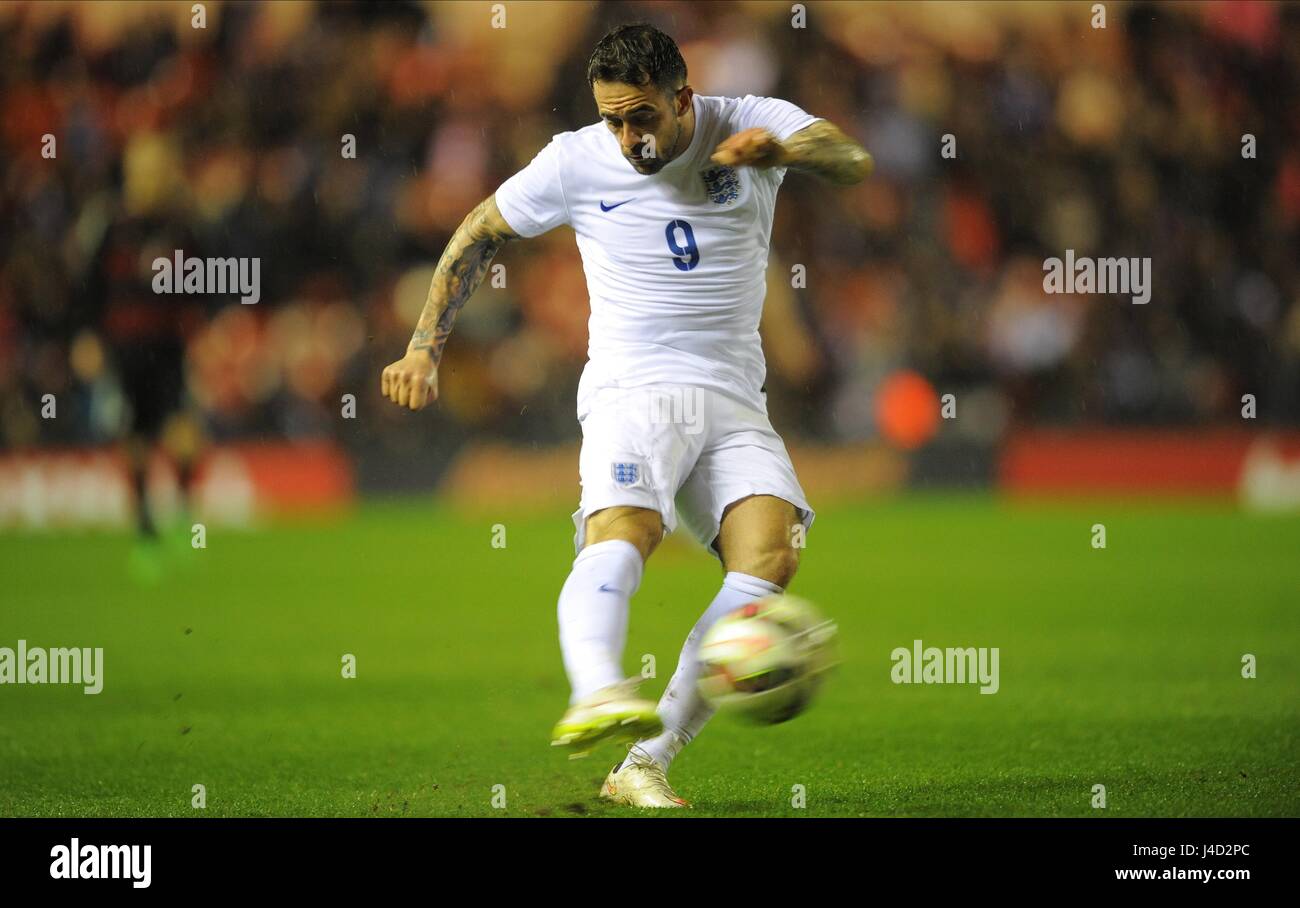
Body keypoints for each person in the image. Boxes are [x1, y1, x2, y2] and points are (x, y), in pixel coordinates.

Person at [381, 22, 871, 807]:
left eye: (642, 116)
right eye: (612, 118)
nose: (628, 136)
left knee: (770, 559)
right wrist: (422, 347)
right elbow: (479, 232)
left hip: (737, 395)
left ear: (684, 97)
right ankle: (595, 688)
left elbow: (850, 158)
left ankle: (644, 762)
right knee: (628, 531)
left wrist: (783, 152)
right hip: (632, 388)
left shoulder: (748, 117)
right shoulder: (576, 159)